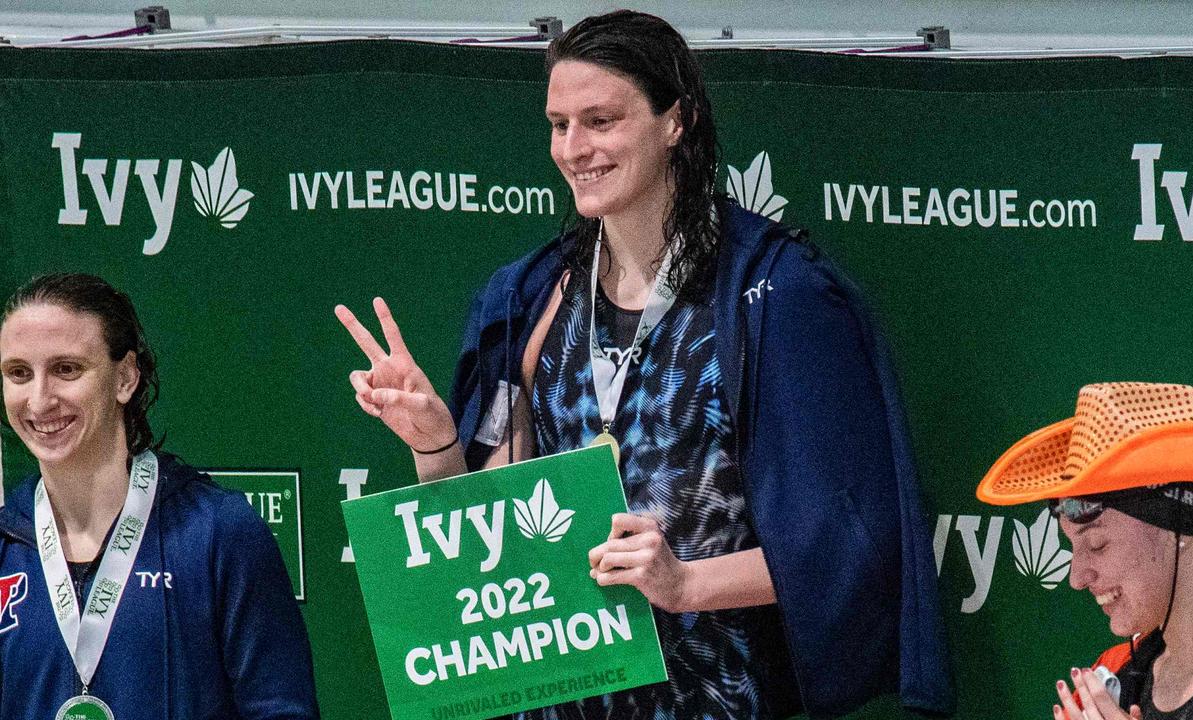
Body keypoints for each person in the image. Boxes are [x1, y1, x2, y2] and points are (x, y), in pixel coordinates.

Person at [337, 10, 953, 719]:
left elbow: (851, 551)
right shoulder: (529, 298)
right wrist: (435, 444)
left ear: (676, 121)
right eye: (558, 124)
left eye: (601, 120)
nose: (574, 148)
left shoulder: (774, 294)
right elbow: (489, 547)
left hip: (721, 697)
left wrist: (684, 584)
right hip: (560, 699)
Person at [0, 273, 319, 719]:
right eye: (18, 373)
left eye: (66, 369)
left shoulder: (218, 532)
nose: (38, 400)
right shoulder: (6, 545)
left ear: (125, 377)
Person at [977, 382, 1193, 720]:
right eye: (1073, 547)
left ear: (1175, 525)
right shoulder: (1111, 677)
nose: (1076, 578)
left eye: (1097, 544)